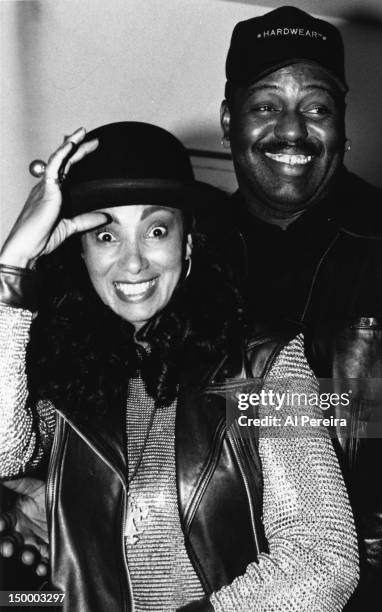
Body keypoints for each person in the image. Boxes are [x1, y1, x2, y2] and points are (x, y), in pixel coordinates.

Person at [0, 121, 358, 611]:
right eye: (106, 235)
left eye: (157, 230)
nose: (132, 263)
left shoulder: (266, 360)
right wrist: (12, 269)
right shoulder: (63, 369)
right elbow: (4, 456)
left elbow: (323, 559)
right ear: (81, 252)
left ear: (186, 244)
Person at [215, 6, 382, 612]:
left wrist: (335, 577)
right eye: (264, 106)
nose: (292, 129)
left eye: (316, 107)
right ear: (229, 121)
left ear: (342, 125)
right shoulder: (189, 251)